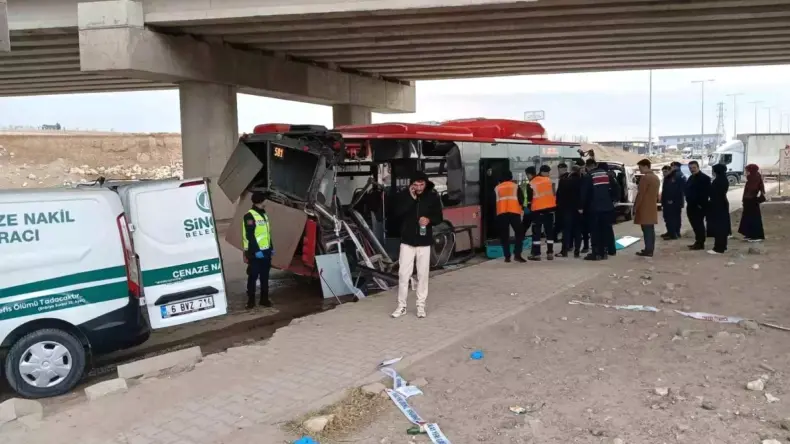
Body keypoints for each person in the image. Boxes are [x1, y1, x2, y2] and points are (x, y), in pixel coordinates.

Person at [392, 171, 443, 319]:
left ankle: (421, 306)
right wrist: (411, 199)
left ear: (426, 183)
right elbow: (397, 214)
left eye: (421, 184)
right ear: (411, 184)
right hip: (407, 241)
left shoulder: (432, 197)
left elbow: (439, 217)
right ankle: (401, 306)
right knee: (403, 274)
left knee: (422, 274)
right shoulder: (404, 196)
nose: (419, 187)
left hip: (424, 242)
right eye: (416, 184)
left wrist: (429, 220)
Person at [580, 158, 620, 261]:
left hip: (594, 208)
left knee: (595, 231)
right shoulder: (607, 175)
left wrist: (581, 207)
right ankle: (605, 252)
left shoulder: (589, 176)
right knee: (606, 230)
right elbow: (616, 188)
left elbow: (584, 193)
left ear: (588, 166)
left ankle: (596, 253)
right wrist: (614, 200)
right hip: (607, 208)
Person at [242, 192, 274, 309]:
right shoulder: (249, 216)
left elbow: (267, 234)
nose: (267, 202)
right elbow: (250, 235)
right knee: (253, 276)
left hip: (266, 252)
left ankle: (264, 299)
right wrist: (256, 251)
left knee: (265, 277)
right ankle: (251, 301)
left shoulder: (264, 214)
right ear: (261, 201)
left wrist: (271, 247)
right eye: (265, 200)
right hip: (255, 253)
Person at [526, 165, 557, 261]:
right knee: (549, 232)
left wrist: (528, 209)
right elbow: (554, 194)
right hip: (550, 210)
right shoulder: (550, 181)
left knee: (536, 233)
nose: (548, 174)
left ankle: (536, 254)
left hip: (537, 210)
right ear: (543, 172)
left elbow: (530, 199)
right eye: (548, 172)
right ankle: (550, 253)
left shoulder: (532, 183)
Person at [494, 171, 526, 263]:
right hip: (514, 212)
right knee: (519, 233)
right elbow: (521, 199)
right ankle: (517, 254)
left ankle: (507, 257)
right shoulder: (515, 186)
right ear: (511, 177)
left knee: (504, 235)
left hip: (501, 213)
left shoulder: (497, 188)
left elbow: (493, 202)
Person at [633, 159, 660, 257]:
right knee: (650, 230)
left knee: (646, 230)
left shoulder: (645, 178)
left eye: (640, 167)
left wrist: (635, 207)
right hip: (651, 207)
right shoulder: (655, 177)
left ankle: (648, 250)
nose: (639, 170)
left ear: (645, 166)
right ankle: (649, 248)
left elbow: (640, 194)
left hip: (644, 207)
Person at [556, 164, 584, 257]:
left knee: (566, 231)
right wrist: (581, 207)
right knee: (577, 231)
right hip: (578, 210)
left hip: (566, 209)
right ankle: (577, 252)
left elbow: (558, 195)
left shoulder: (563, 181)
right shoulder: (581, 181)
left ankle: (564, 251)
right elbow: (582, 195)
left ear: (571, 171)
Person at [685, 160, 711, 250]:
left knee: (699, 225)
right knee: (695, 225)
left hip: (699, 207)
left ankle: (700, 243)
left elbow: (705, 193)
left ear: (698, 167)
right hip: (691, 205)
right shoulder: (691, 177)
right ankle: (697, 241)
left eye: (694, 168)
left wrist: (700, 205)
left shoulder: (705, 178)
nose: (692, 170)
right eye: (690, 168)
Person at [738, 163, 766, 242]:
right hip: (749, 201)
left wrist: (748, 197)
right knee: (748, 218)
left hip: (752, 201)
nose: (746, 172)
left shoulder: (754, 178)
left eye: (747, 170)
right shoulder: (751, 177)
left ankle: (756, 236)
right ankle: (749, 234)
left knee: (753, 218)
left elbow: (753, 190)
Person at [707, 163, 731, 254]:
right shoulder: (723, 179)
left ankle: (718, 248)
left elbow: (714, 193)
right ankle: (722, 246)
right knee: (722, 226)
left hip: (718, 204)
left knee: (719, 227)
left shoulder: (718, 180)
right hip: (722, 203)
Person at [661, 162, 685, 240]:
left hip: (672, 202)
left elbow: (673, 190)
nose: (664, 173)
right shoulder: (674, 176)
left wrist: (670, 199)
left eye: (666, 171)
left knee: (671, 218)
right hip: (674, 201)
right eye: (663, 172)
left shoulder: (674, 177)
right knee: (674, 218)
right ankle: (674, 232)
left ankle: (673, 234)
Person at [553, 163, 568, 243]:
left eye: (560, 169)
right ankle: (555, 236)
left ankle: (557, 236)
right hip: (559, 204)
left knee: (561, 222)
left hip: (562, 204)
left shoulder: (565, 178)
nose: (560, 171)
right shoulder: (558, 179)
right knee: (559, 222)